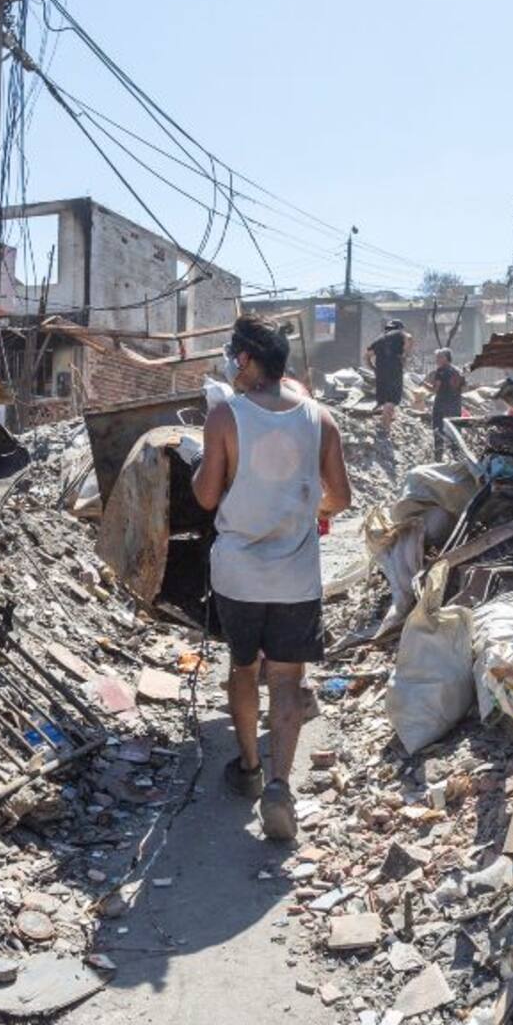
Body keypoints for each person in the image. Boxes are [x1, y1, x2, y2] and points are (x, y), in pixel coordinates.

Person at [192, 315, 352, 840]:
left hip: (238, 576)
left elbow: (206, 497)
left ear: (245, 360)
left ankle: (249, 769)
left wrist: (201, 469)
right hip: (295, 577)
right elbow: (340, 498)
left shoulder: (225, 415)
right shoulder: (320, 418)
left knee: (243, 669)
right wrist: (302, 509)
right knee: (287, 678)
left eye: (233, 355)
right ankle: (281, 785)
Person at [365, 319, 412, 430]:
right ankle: (385, 427)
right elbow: (409, 338)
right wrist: (405, 356)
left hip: (380, 373)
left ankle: (386, 421)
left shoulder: (379, 339)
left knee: (385, 399)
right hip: (394, 371)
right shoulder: (399, 333)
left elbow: (367, 356)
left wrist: (373, 368)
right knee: (392, 400)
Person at [424, 348, 464, 460]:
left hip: (441, 406)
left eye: (439, 357)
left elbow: (435, 390)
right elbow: (463, 388)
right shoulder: (458, 371)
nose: (436, 360)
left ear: (446, 358)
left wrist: (423, 384)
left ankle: (438, 457)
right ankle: (457, 457)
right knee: (455, 430)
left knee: (438, 430)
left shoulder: (441, 371)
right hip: (455, 406)